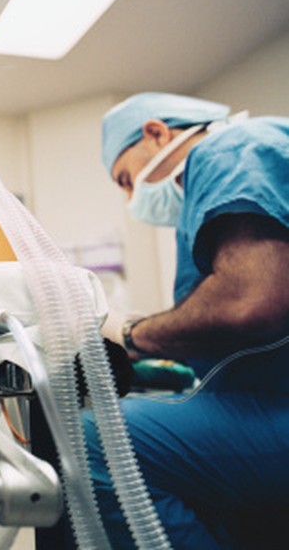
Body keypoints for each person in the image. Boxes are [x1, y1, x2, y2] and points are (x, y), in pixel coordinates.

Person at [83, 92, 289, 548]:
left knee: (96, 441)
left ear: (155, 134)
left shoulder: (230, 150)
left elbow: (247, 304)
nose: (131, 197)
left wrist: (132, 333)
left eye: (125, 179)